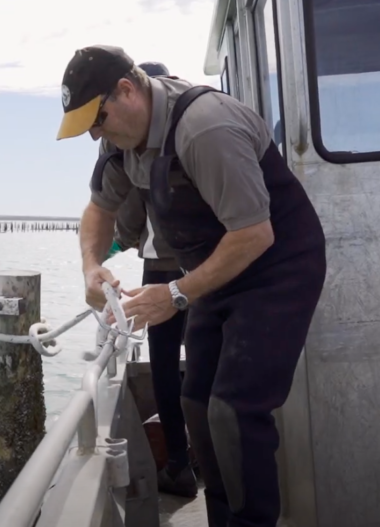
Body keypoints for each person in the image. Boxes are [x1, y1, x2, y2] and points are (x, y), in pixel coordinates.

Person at [56, 45, 327, 527]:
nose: (95, 134)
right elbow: (99, 209)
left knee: (234, 410)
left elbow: (254, 234)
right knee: (197, 403)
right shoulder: (117, 142)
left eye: (96, 119)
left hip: (276, 269)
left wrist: (176, 294)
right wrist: (91, 265)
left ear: (126, 90)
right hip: (215, 272)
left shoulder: (206, 127)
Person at [101, 60, 198, 499]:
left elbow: (127, 215)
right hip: (203, 262)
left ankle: (179, 462)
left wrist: (117, 244)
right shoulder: (188, 127)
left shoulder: (135, 148)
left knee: (164, 366)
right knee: (202, 362)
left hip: (164, 263)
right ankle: (200, 459)